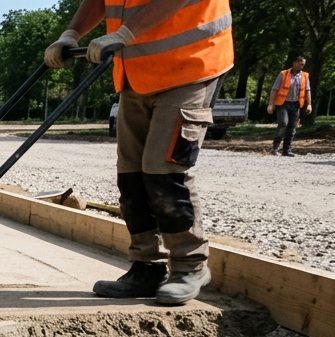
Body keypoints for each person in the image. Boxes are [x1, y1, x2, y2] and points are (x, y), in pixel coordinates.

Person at [45, 0, 233, 306]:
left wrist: (124, 35)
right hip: (136, 72)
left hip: (191, 64)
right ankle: (147, 267)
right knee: (131, 175)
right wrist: (71, 33)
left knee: (164, 170)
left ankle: (190, 266)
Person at [268, 56, 313, 156]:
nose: (302, 66)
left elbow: (307, 90)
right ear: (294, 63)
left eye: (303, 65)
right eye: (301, 64)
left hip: (296, 105)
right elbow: (274, 89)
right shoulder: (283, 74)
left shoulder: (305, 76)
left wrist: (309, 104)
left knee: (292, 127)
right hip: (283, 104)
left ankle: (286, 150)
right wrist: (271, 104)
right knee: (283, 123)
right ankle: (275, 148)